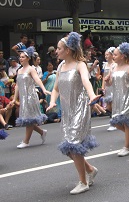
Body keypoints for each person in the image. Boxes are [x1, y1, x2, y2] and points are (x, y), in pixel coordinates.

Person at [46, 32, 100, 195]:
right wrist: (52, 101)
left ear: (68, 50)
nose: (56, 51)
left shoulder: (80, 64)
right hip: (67, 111)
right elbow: (55, 88)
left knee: (74, 145)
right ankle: (90, 169)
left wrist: (92, 96)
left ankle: (83, 182)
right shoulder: (61, 66)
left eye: (59, 48)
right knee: (69, 148)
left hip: (80, 109)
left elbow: (85, 80)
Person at [11, 46, 50, 148]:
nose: (21, 58)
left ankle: (26, 141)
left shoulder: (31, 69)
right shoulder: (19, 71)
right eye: (20, 57)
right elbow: (17, 86)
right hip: (23, 97)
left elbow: (37, 80)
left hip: (31, 96)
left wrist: (43, 89)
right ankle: (42, 132)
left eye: (23, 57)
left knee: (29, 119)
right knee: (28, 119)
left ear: (28, 58)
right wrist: (15, 99)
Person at [101, 47, 116, 131]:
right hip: (107, 86)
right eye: (105, 55)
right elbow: (104, 77)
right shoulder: (105, 64)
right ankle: (116, 117)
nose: (106, 56)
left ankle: (113, 122)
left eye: (107, 54)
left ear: (111, 55)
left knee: (113, 104)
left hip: (113, 85)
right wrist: (103, 87)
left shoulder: (115, 64)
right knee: (108, 106)